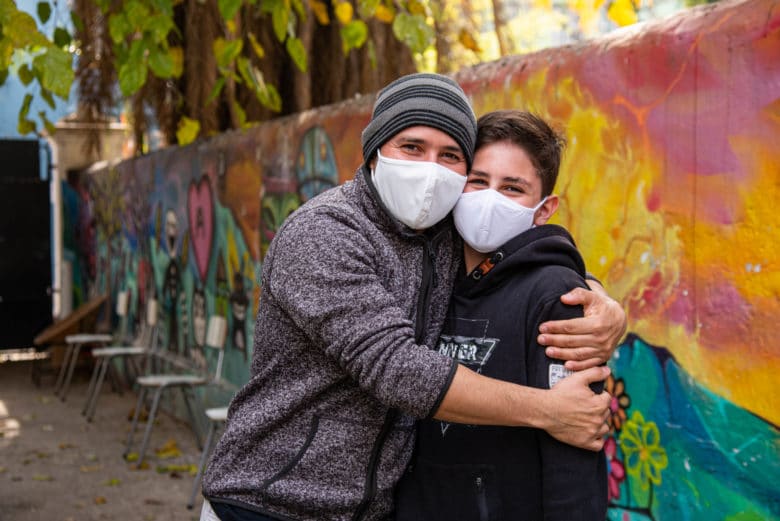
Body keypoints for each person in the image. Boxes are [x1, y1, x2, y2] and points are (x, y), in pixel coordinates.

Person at [201, 73, 625, 521]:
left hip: (367, 511)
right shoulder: (324, 231)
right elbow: (396, 367)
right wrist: (548, 411)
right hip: (268, 503)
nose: (430, 170)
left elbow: (519, 250)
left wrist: (597, 299)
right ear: (375, 152)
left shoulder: (437, 234)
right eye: (412, 147)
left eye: (450, 156)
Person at [395, 110, 608, 520]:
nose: (489, 198)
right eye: (478, 181)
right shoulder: (424, 278)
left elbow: (575, 450)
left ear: (544, 210)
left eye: (512, 188)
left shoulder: (557, 298)